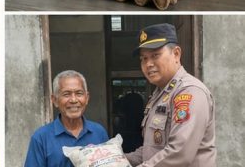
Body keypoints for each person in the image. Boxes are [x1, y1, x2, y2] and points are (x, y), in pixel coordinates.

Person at [125, 23, 215, 166]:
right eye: (144, 58)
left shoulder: (189, 92)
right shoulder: (159, 95)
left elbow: (179, 153)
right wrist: (116, 159)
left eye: (155, 55)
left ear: (176, 54)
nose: (148, 64)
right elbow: (152, 149)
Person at [24, 70, 109, 167]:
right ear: (54, 100)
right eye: (66, 94)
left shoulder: (99, 132)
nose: (73, 100)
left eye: (79, 93)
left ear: (87, 98)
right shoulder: (41, 138)